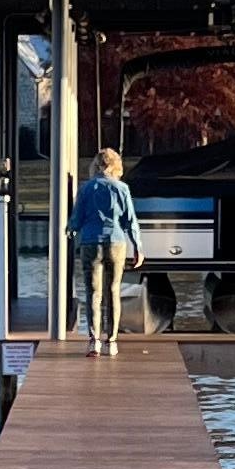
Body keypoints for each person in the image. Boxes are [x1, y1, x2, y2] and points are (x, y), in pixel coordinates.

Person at [68, 147, 140, 356]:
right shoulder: (122, 188)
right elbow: (130, 221)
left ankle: (94, 341)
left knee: (93, 293)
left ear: (96, 165)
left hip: (91, 242)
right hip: (116, 242)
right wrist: (138, 247)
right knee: (113, 291)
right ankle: (112, 341)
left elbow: (77, 218)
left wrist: (69, 230)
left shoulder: (86, 188)